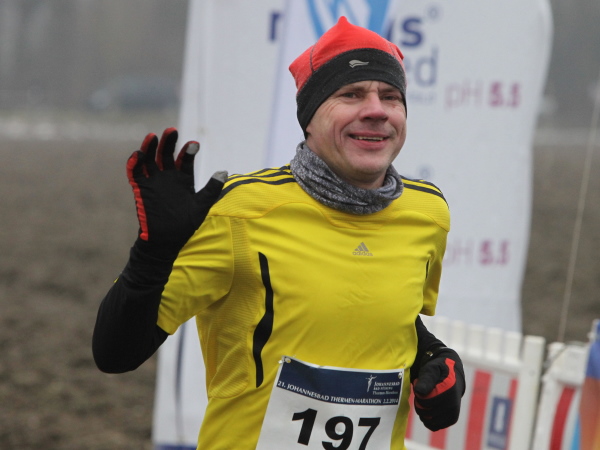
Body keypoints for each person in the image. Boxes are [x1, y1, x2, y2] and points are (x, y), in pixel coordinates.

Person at [93, 16, 465, 449]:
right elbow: (115, 354)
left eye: (391, 96)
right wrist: (152, 257)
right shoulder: (239, 213)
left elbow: (382, 315)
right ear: (309, 119)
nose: (376, 110)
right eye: (351, 94)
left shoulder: (428, 213)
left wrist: (433, 356)